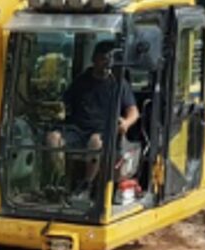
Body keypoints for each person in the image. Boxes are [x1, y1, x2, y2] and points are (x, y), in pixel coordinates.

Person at [46, 39, 139, 191]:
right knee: (52, 138)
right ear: (94, 59)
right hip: (77, 129)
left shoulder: (119, 84)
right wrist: (58, 110)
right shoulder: (81, 81)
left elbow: (133, 111)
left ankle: (86, 185)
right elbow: (64, 103)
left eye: (109, 59)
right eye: (103, 58)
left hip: (103, 131)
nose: (106, 63)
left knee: (95, 142)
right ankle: (60, 181)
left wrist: (126, 123)